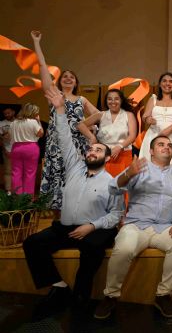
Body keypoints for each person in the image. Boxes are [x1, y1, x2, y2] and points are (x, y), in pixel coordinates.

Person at [23, 87, 122, 315]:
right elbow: (65, 138)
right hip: (66, 228)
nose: (91, 152)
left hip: (95, 230)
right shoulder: (75, 167)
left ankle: (81, 297)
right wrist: (59, 109)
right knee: (32, 243)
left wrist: (92, 226)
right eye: (90, 149)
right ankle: (59, 287)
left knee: (92, 247)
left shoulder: (113, 182)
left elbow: (115, 216)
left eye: (98, 150)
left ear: (107, 157)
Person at [95, 135, 172, 319]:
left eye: (170, 145)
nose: (167, 148)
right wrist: (127, 174)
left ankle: (163, 295)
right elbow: (113, 188)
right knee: (124, 248)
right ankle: (111, 296)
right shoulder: (139, 168)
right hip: (136, 225)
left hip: (165, 227)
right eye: (161, 145)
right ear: (152, 151)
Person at [32, 30, 99, 209]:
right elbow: (42, 66)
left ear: (76, 83)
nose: (68, 78)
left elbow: (99, 114)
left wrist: (87, 128)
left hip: (78, 145)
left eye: (72, 77)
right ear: (60, 82)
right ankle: (57, 221)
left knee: (75, 179)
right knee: (57, 179)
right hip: (57, 145)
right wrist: (36, 42)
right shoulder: (54, 94)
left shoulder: (82, 100)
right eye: (65, 76)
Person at [78, 89, 138, 176]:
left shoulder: (128, 115)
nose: (113, 101)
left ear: (121, 100)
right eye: (110, 99)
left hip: (123, 154)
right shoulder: (101, 115)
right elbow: (80, 125)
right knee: (103, 186)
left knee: (121, 186)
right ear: (106, 101)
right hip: (103, 156)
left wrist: (119, 147)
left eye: (116, 99)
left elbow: (132, 136)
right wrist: (92, 137)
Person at [139, 72, 172, 168]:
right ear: (160, 84)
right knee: (151, 168)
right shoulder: (153, 99)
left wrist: (168, 131)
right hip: (154, 135)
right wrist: (147, 119)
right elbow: (145, 116)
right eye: (164, 81)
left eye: (171, 82)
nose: (167, 84)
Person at [9, 103, 44, 194]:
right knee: (30, 173)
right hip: (31, 148)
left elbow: (10, 136)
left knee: (16, 172)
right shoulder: (33, 122)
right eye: (36, 112)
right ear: (32, 112)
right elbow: (41, 134)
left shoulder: (13, 123)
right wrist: (39, 121)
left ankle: (17, 197)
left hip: (16, 147)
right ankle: (27, 198)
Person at [1, 106, 18, 190]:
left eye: (8, 113)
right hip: (7, 151)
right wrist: (5, 151)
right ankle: (8, 191)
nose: (7, 115)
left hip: (19, 151)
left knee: (18, 171)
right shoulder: (1, 123)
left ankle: (17, 191)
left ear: (13, 112)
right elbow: (0, 139)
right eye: (5, 114)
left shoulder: (19, 122)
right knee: (8, 171)